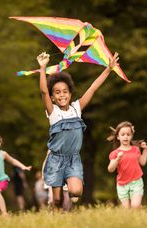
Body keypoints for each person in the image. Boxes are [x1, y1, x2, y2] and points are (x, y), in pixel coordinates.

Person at [37, 51, 120, 209]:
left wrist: (108, 69)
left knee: (76, 191)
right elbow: (43, 91)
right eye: (57, 92)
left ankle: (69, 184)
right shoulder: (53, 112)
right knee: (56, 200)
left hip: (73, 158)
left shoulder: (76, 108)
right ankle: (56, 218)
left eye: (65, 91)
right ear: (53, 97)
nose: (62, 95)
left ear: (70, 93)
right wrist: (42, 68)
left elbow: (93, 88)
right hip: (55, 159)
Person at [107, 121, 147, 209]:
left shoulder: (136, 149)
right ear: (118, 137)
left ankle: (138, 209)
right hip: (122, 184)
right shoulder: (115, 153)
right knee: (126, 209)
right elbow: (110, 169)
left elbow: (143, 162)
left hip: (136, 181)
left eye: (128, 134)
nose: (126, 136)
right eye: (123, 134)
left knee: (135, 205)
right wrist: (117, 159)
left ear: (131, 136)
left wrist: (145, 150)